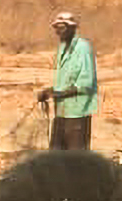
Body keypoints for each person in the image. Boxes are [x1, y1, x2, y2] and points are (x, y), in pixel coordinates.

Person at [38, 10, 99, 151]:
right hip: (61, 111)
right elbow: (63, 83)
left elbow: (86, 83)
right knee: (56, 154)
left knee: (75, 157)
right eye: (56, 28)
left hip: (77, 113)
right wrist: (49, 92)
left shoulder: (83, 47)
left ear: (72, 28)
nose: (58, 32)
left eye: (62, 28)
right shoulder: (62, 48)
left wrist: (59, 94)